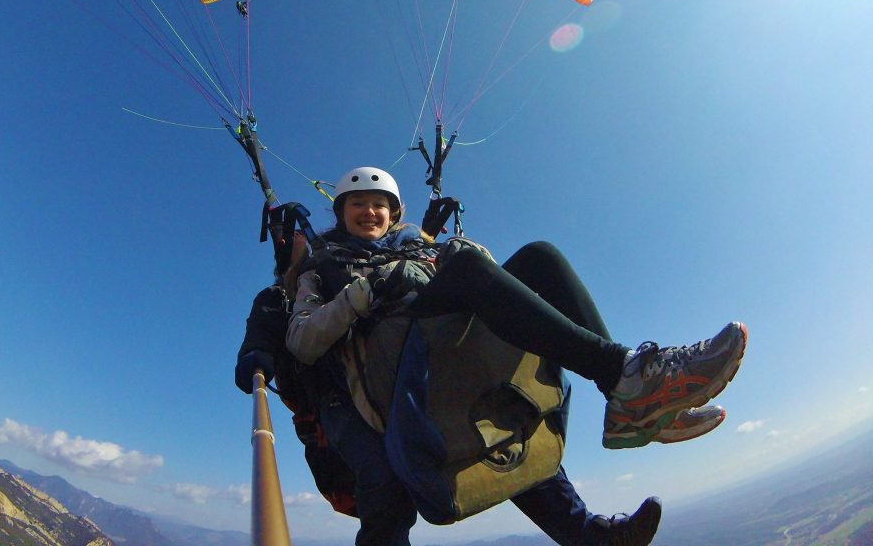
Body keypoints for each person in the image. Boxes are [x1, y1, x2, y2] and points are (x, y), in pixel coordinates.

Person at [280, 166, 747, 545]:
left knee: (540, 258)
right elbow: (302, 340)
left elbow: (477, 273)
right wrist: (361, 294)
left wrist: (462, 252)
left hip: (452, 345)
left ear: (394, 212)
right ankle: (632, 386)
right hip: (401, 360)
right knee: (465, 272)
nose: (370, 212)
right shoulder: (323, 270)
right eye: (358, 204)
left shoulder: (422, 248)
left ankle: (624, 389)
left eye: (379, 204)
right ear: (341, 213)